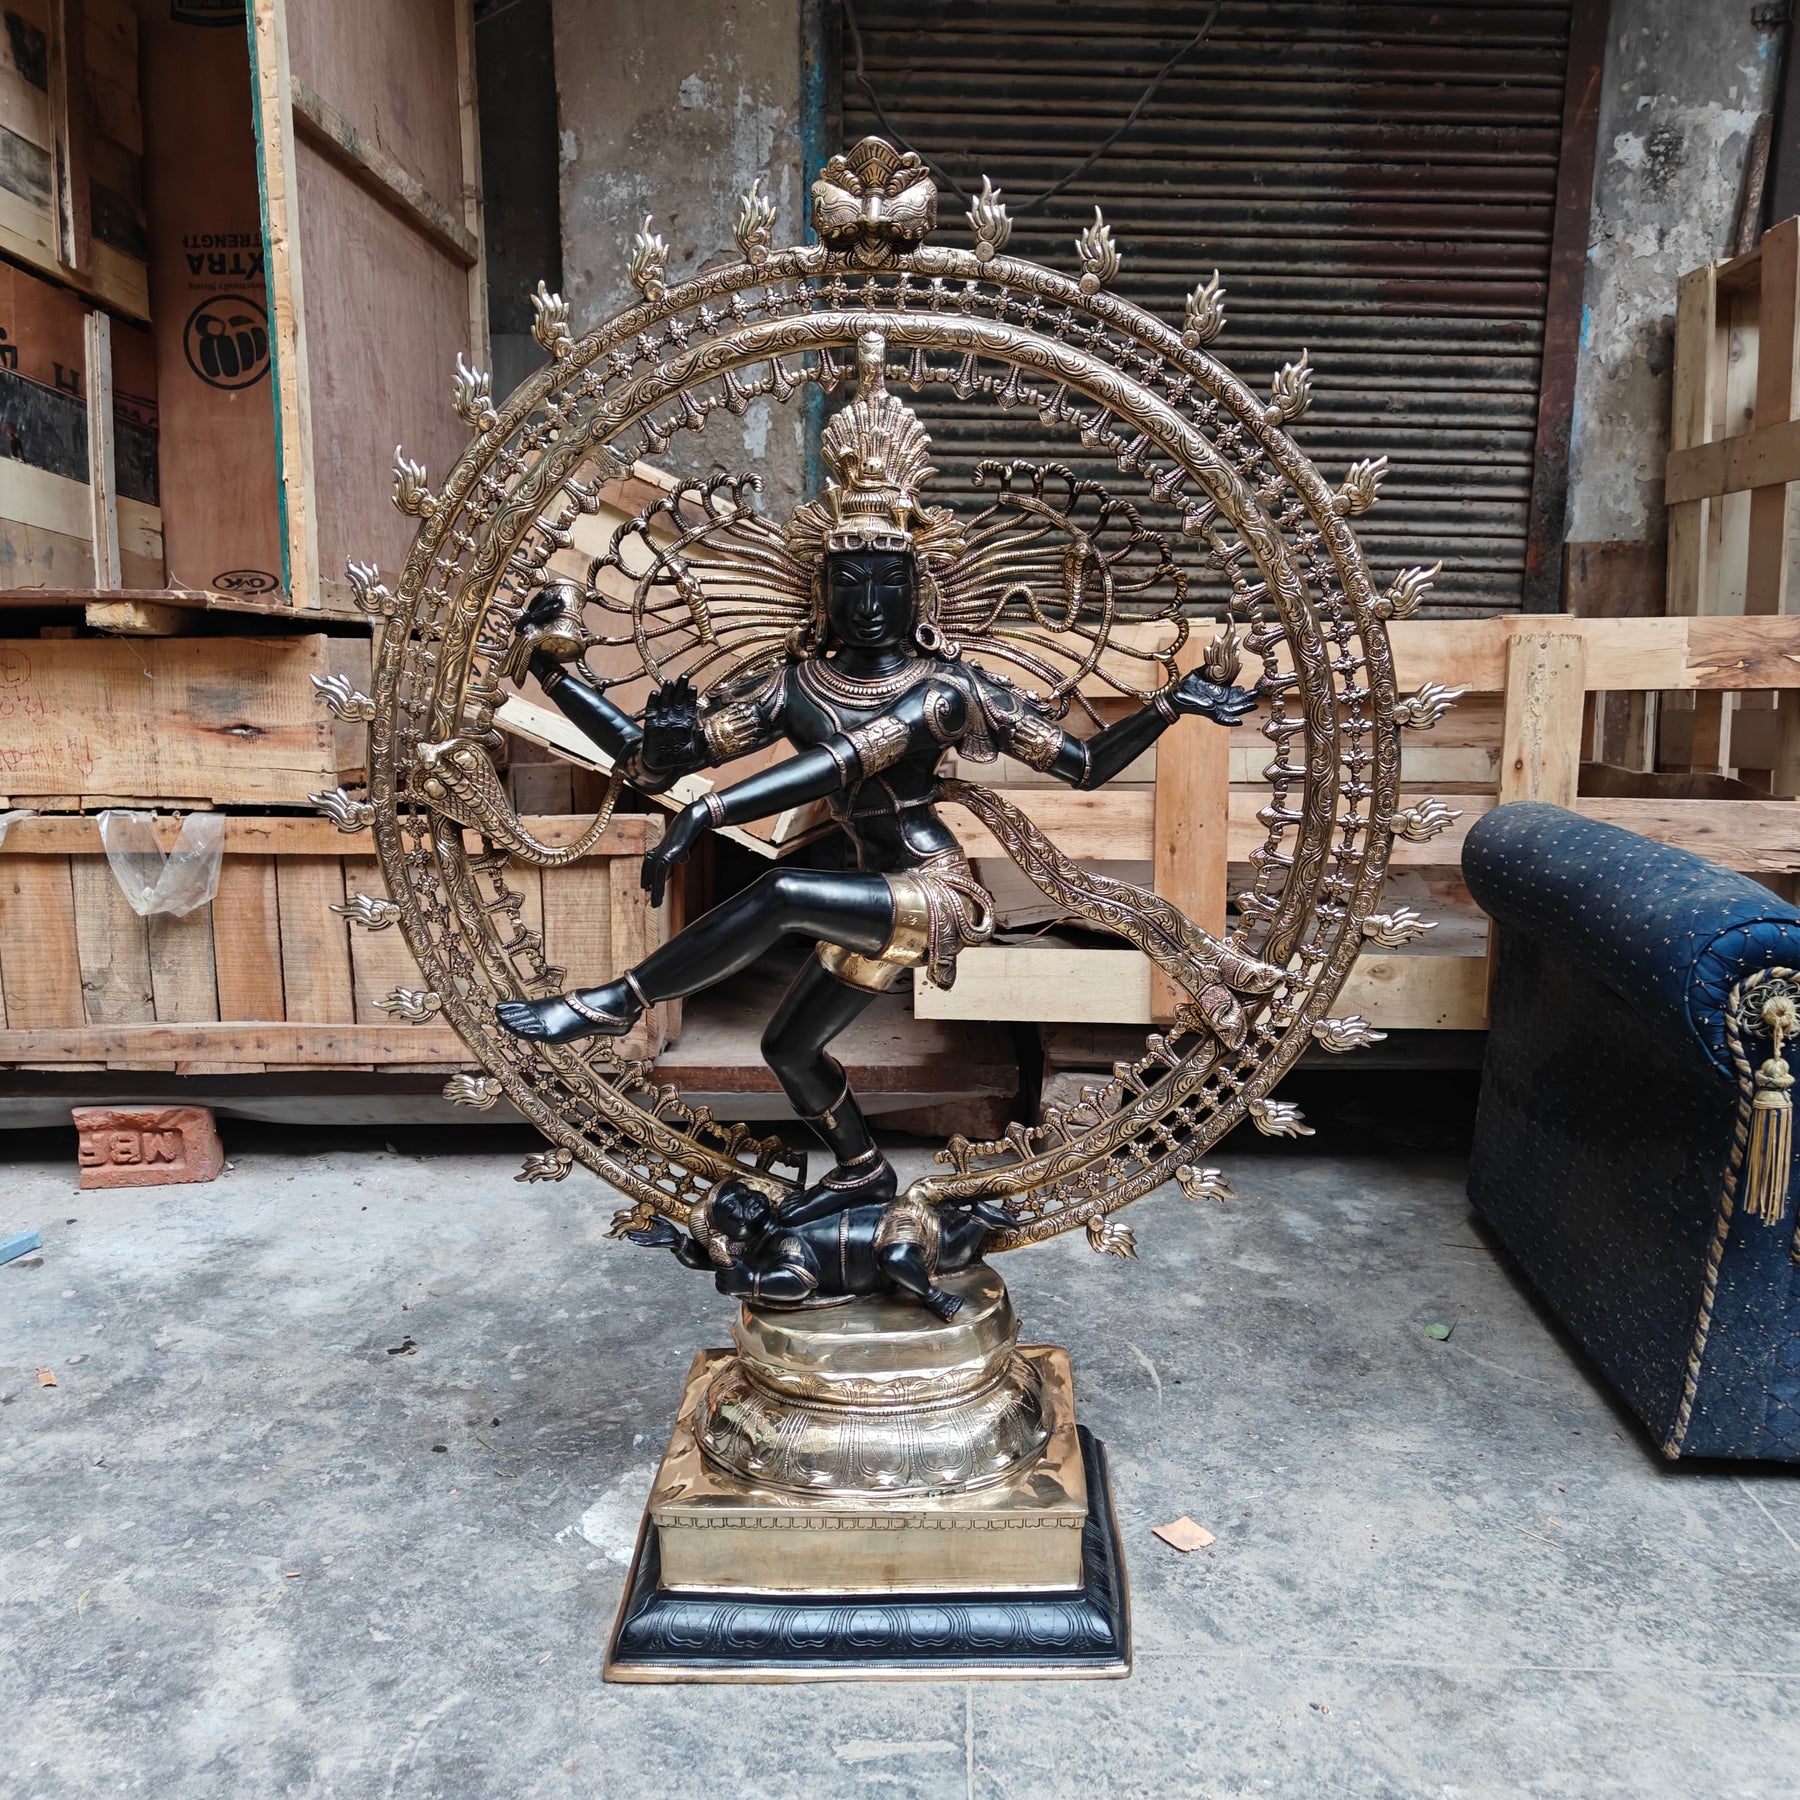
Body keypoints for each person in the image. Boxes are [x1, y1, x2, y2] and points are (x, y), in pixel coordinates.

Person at [495, 358, 1256, 1229]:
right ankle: (861, 1170)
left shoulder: (944, 692)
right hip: (869, 891)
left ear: (918, 589)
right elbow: (648, 760)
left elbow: (1060, 764)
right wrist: (555, 673)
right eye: (848, 580)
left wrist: (1170, 705)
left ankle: (614, 1002)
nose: (867, 600)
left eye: (887, 580)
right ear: (818, 591)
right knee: (790, 1047)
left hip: (934, 890)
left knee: (782, 892)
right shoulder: (795, 686)